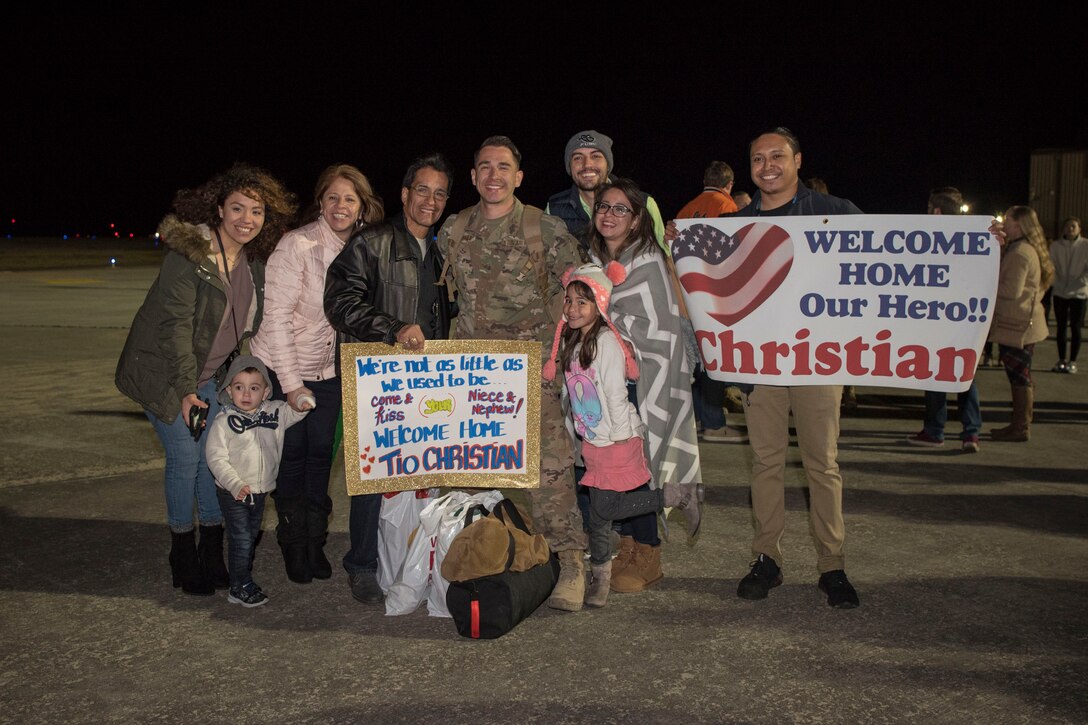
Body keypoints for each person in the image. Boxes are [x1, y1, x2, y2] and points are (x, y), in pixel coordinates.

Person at [668, 127, 862, 608]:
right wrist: (681, 243)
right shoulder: (738, 221)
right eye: (758, 158)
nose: (767, 165)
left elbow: (899, 244)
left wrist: (975, 242)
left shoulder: (834, 212)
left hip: (819, 365)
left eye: (777, 156)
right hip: (762, 368)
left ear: (798, 159)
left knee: (823, 465)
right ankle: (766, 559)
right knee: (766, 463)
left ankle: (832, 565)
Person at [115, 163, 297, 595]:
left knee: (214, 461)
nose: (246, 219)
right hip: (165, 373)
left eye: (256, 211)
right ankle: (182, 550)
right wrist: (185, 391)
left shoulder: (253, 264)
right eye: (238, 208)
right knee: (186, 456)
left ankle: (211, 550)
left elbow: (249, 328)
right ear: (219, 208)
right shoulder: (191, 254)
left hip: (212, 377)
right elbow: (175, 328)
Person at [436, 135, 589, 611]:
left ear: (518, 177)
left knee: (548, 470)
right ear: (474, 174)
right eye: (485, 167)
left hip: (530, 371)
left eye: (504, 167)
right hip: (472, 373)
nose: (494, 176)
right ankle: (478, 557)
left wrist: (565, 362)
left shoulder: (546, 229)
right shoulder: (454, 229)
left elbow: (578, 298)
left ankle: (570, 563)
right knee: (468, 469)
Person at [324, 154, 455, 604]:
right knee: (373, 475)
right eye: (422, 190)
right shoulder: (371, 241)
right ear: (404, 194)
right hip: (377, 378)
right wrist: (392, 330)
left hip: (426, 382)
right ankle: (361, 563)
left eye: (440, 193)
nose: (430, 200)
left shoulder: (440, 251)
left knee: (420, 472)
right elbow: (339, 300)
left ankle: (411, 556)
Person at [250, 164, 384, 584]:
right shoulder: (297, 245)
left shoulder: (363, 248)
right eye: (332, 197)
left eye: (349, 199)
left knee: (319, 456)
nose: (340, 206)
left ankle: (314, 539)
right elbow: (275, 321)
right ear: (320, 203)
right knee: (292, 456)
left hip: (328, 371)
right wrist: (290, 385)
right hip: (281, 366)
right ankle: (294, 543)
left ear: (362, 206)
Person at [542, 262, 697, 607]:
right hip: (593, 440)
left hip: (617, 437)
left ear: (599, 304)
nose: (572, 308)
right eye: (568, 301)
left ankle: (676, 495)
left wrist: (619, 438)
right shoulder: (573, 340)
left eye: (582, 302)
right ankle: (601, 578)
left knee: (605, 507)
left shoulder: (605, 341)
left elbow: (614, 394)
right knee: (597, 516)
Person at [589, 177, 704, 593]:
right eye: (604, 206)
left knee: (638, 468)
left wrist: (609, 331)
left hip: (646, 379)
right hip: (605, 383)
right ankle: (626, 545)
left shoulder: (650, 259)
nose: (610, 214)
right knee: (612, 469)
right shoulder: (592, 259)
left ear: (637, 219)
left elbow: (661, 328)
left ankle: (649, 553)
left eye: (621, 209)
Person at [206, 355, 311, 607]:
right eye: (239, 387)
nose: (245, 394)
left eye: (254, 388)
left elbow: (294, 412)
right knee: (241, 539)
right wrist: (234, 484)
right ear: (229, 390)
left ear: (265, 392)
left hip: (261, 491)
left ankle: (241, 578)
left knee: (250, 536)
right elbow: (216, 458)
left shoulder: (274, 412)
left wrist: (303, 401)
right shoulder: (223, 422)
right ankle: (239, 586)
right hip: (234, 493)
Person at [906, 187, 982, 452]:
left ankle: (935, 430)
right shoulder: (973, 236)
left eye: (929, 208)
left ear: (937, 211)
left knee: (936, 374)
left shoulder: (928, 239)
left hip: (938, 320)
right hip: (963, 320)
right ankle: (970, 433)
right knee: (964, 375)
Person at [676, 162, 747, 444]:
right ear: (729, 184)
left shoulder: (685, 210)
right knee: (713, 363)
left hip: (688, 296)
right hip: (716, 300)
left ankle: (694, 420)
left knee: (692, 364)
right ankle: (714, 424)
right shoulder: (727, 207)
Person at [988, 206, 1054, 442]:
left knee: (1019, 376)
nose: (1004, 222)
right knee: (1020, 375)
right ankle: (1019, 424)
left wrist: (986, 285)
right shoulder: (1025, 249)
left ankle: (1020, 426)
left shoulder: (1019, 253)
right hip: (1024, 322)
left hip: (1017, 327)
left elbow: (1011, 290)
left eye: (1008, 220)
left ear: (1018, 225)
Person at [545, 130, 667, 253]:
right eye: (578, 158)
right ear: (569, 167)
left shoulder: (643, 203)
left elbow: (666, 257)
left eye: (596, 156)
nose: (587, 164)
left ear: (608, 165)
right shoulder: (554, 208)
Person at [1048, 216, 1088, 374]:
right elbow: (1051, 266)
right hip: (1060, 291)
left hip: (1079, 292)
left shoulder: (1085, 245)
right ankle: (1061, 359)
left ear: (1079, 229)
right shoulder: (1056, 246)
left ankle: (1073, 361)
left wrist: (1081, 281)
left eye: (1073, 226)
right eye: (1067, 226)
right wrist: (1056, 282)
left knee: (1076, 327)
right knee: (1061, 327)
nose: (1070, 229)